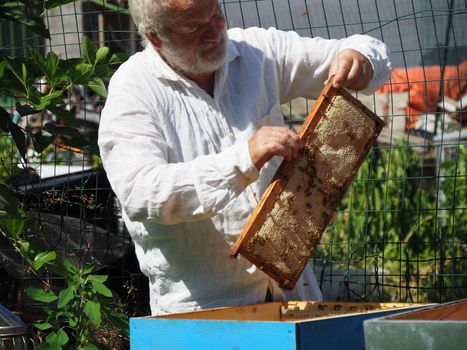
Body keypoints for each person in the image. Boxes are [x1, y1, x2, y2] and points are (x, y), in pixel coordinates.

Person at [98, 0, 391, 315]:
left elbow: (358, 49)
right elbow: (142, 192)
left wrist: (359, 60)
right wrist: (243, 158)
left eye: (216, 15)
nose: (214, 32)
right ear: (155, 37)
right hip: (203, 309)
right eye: (195, 27)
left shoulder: (255, 51)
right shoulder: (133, 91)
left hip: (291, 293)